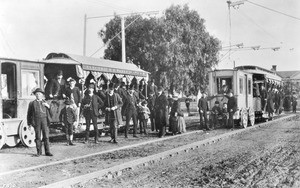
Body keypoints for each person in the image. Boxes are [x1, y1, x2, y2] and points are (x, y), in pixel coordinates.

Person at [27, 88, 53, 157]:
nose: (38, 95)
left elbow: (51, 113)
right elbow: (29, 114)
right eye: (37, 94)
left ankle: (47, 152)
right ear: (35, 95)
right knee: (38, 137)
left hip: (44, 121)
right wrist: (29, 124)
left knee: (46, 137)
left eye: (39, 94)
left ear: (42, 95)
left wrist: (48, 107)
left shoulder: (46, 102)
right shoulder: (32, 103)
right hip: (36, 121)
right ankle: (39, 152)